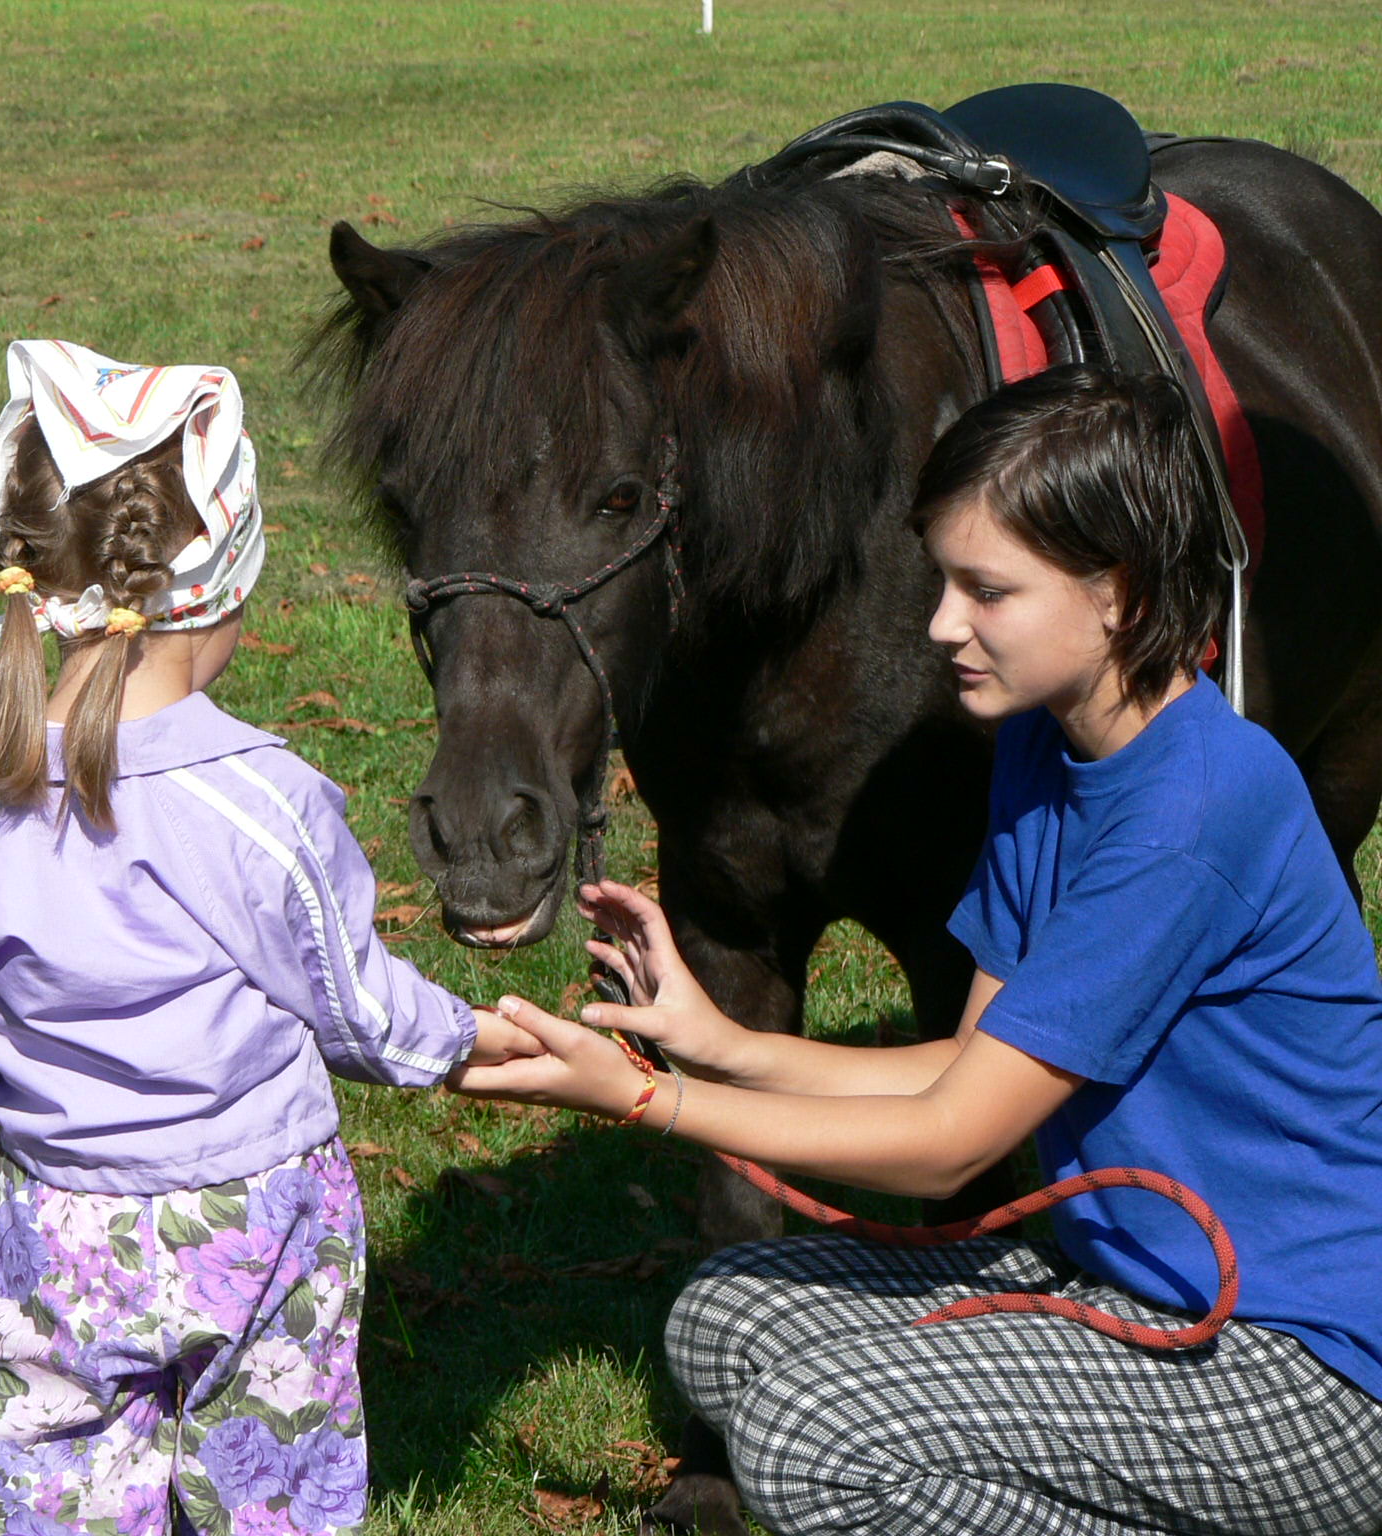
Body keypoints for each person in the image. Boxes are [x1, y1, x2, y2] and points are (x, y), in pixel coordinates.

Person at [452, 367, 1382, 1536]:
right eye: (942, 580)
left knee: (808, 1433)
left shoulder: (1190, 812)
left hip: (1300, 1371)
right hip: (1131, 1294)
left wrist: (651, 1103)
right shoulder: (1047, 747)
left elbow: (948, 1146)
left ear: (1117, 595)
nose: (941, 624)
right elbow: (960, 1065)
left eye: (984, 590)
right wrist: (716, 1043)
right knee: (721, 1320)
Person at [0, 339, 536, 1536]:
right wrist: (479, 1039)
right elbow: (358, 1008)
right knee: (273, 1503)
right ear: (220, 584)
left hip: (50, 1230)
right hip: (260, 1222)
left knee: (60, 1501)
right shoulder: (257, 802)